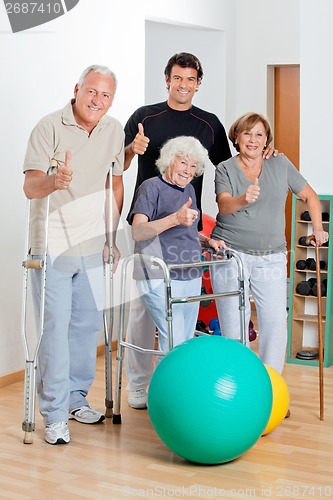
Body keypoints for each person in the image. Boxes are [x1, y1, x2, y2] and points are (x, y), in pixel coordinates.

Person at [124, 52, 277, 409]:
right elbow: (119, 163)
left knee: (182, 314)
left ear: (197, 83)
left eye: (190, 79)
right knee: (143, 312)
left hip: (186, 227)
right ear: (167, 79)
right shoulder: (144, 117)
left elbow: (232, 163)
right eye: (177, 77)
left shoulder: (208, 123)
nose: (183, 85)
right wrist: (133, 148)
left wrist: (262, 153)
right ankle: (138, 384)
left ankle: (173, 383)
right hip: (148, 224)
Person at [23, 65, 124, 445]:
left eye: (106, 95)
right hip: (52, 246)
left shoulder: (113, 129)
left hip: (92, 242)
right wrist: (54, 181)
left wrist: (111, 238)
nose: (98, 100)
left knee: (84, 329)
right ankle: (52, 414)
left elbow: (115, 186)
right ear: (77, 89)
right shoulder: (48, 126)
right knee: (55, 330)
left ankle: (75, 400)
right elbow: (31, 187)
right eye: (92, 92)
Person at [209, 112, 328, 378]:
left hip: (271, 255)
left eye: (259, 134)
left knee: (275, 321)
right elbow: (224, 205)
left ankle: (271, 388)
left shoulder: (280, 163)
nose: (253, 139)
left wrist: (318, 229)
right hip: (230, 253)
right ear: (236, 138)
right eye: (247, 133)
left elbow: (309, 196)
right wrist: (244, 199)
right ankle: (240, 385)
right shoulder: (225, 168)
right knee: (233, 325)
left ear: (267, 141)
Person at [128, 136, 226, 363]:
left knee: (184, 338)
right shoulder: (151, 188)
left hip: (189, 272)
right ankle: (169, 394)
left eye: (193, 166)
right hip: (158, 274)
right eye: (183, 162)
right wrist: (174, 218)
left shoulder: (189, 190)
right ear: (169, 160)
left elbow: (186, 232)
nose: (188, 170)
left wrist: (206, 241)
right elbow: (138, 231)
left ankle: (180, 391)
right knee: (173, 337)